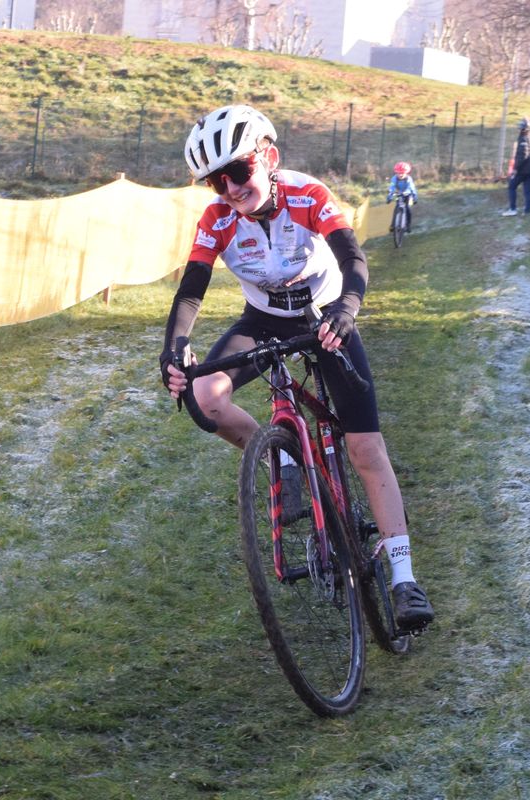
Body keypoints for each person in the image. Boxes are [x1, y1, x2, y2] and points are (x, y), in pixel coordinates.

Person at [159, 105, 434, 630]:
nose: (230, 189)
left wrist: (346, 309)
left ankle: (404, 578)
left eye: (238, 171)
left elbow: (352, 258)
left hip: (325, 316)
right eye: (216, 181)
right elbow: (191, 290)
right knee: (204, 397)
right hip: (263, 320)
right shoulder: (218, 219)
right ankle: (283, 457)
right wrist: (175, 349)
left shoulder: (307, 194)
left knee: (364, 447)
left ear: (269, 158)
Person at [502, 118, 530, 217]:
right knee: (528, 190)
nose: (519, 129)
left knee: (512, 186)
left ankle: (513, 209)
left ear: (523, 128)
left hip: (524, 169)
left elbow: (522, 156)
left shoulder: (523, 139)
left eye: (520, 127)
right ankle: (527, 211)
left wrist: (515, 169)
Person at [386, 161, 418, 233]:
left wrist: (415, 197)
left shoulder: (409, 179)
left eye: (402, 173)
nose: (400, 175)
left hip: (408, 194)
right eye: (398, 173)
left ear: (406, 173)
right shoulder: (394, 178)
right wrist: (389, 197)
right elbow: (392, 187)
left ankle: (408, 225)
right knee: (396, 207)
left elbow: (411, 188)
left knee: (408, 208)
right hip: (399, 193)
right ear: (396, 173)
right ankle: (393, 225)